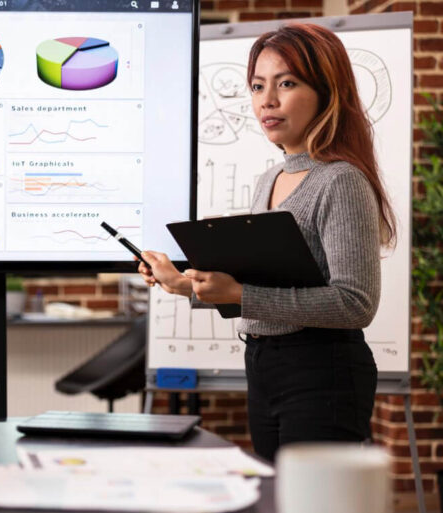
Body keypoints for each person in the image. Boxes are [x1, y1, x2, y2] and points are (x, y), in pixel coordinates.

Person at [138, 23, 395, 461]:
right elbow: (266, 287)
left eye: (287, 83)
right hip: (263, 366)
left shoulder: (341, 180)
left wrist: (241, 293)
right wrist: (183, 284)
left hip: (323, 371)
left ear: (327, 91)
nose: (266, 101)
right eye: (258, 86)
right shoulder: (270, 178)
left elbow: (356, 304)